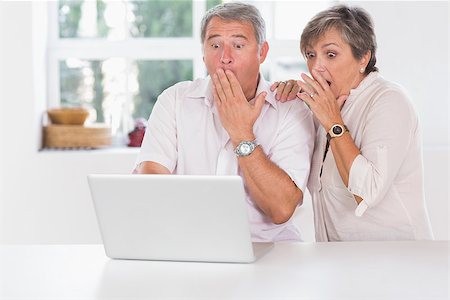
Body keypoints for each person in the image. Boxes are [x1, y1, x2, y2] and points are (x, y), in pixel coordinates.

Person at [134, 2, 315, 242]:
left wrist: (242, 134)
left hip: (268, 250)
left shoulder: (290, 108)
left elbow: (281, 209)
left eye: (238, 45)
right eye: (215, 45)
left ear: (262, 52)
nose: (224, 58)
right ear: (203, 52)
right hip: (190, 246)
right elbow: (151, 180)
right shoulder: (175, 100)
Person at [283, 4, 433, 241]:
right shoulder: (323, 106)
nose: (316, 67)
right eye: (311, 55)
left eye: (330, 54)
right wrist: (286, 100)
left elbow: (367, 193)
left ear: (363, 57)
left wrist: (334, 122)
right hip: (340, 262)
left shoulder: (389, 100)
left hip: (398, 260)